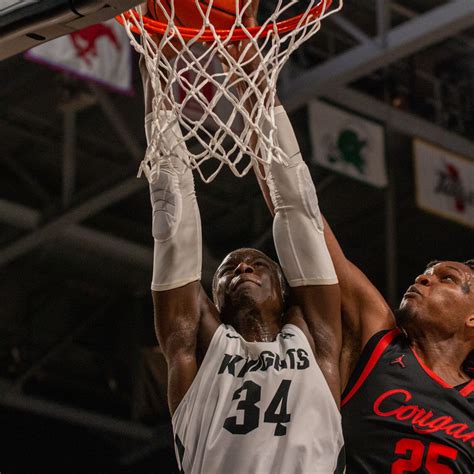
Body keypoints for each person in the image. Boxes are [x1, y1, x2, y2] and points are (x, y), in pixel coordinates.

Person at [138, 6, 345, 473]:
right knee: (172, 208)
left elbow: (298, 208)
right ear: (211, 299)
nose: (243, 268)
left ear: (286, 290)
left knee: (304, 211)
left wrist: (253, 76)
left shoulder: (318, 342)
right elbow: (172, 215)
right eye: (228, 269)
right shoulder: (194, 349)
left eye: (257, 264)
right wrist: (157, 61)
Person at [254, 90, 474, 473]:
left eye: (446, 278)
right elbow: (301, 219)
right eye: (428, 270)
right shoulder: (379, 337)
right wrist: (257, 96)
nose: (424, 277)